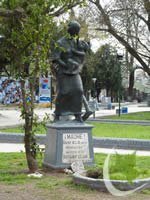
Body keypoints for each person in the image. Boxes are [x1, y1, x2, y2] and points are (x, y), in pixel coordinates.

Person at [53, 21, 90, 123]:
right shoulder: (60, 43)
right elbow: (56, 58)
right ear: (71, 31)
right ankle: (57, 114)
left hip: (74, 71)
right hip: (63, 71)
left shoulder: (75, 42)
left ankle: (77, 115)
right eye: (75, 32)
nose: (76, 34)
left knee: (78, 90)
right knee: (64, 92)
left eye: (77, 32)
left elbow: (82, 54)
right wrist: (66, 65)